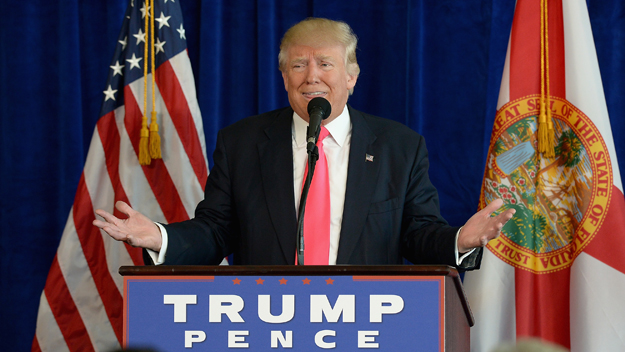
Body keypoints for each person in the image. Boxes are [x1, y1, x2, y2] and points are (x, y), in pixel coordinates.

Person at [93, 18, 515, 268]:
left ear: (351, 77)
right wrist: (160, 238)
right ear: (284, 78)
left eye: (325, 64)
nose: (312, 76)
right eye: (299, 65)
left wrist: (459, 240)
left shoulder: (398, 148)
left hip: (367, 323)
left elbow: (418, 234)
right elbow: (216, 232)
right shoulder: (242, 144)